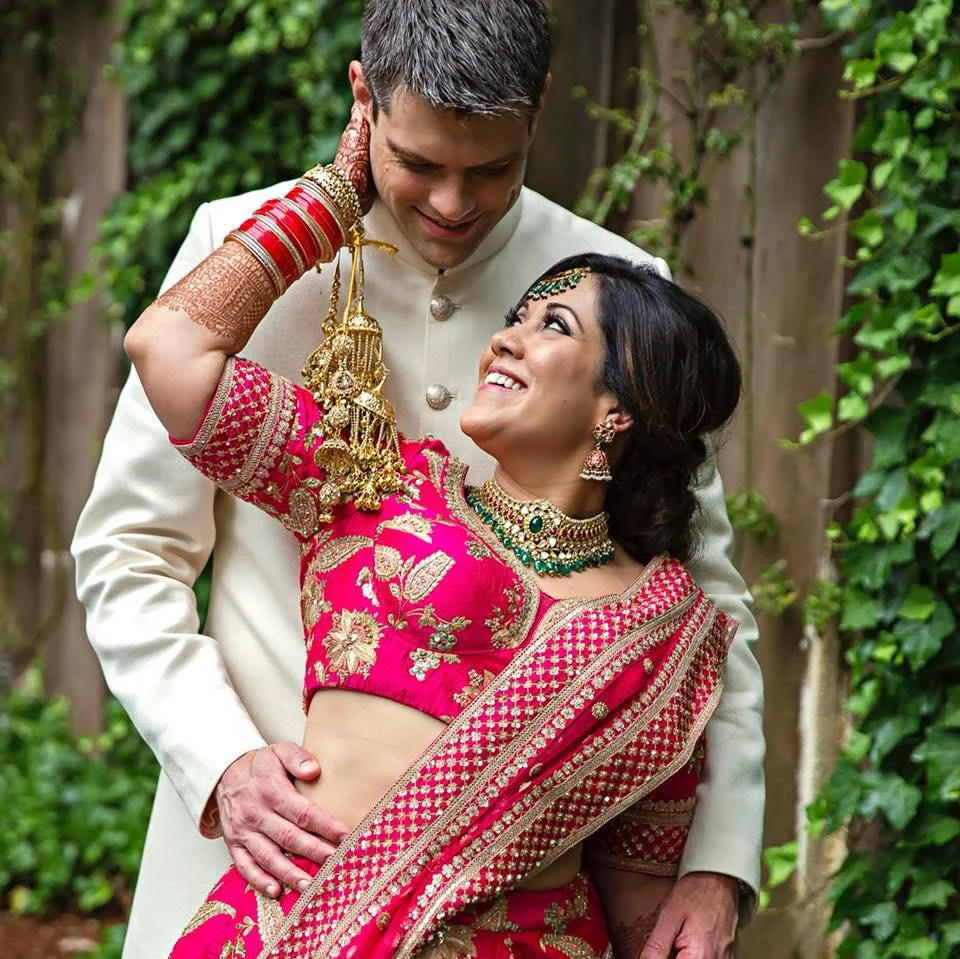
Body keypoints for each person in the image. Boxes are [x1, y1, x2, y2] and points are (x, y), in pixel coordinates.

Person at [72, 2, 765, 956]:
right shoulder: (242, 246)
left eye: (491, 169)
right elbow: (130, 548)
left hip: (517, 903)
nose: (450, 203)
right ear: (364, 98)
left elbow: (702, 608)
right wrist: (221, 756)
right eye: (417, 163)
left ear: (539, 108)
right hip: (262, 842)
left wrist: (715, 861)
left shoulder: (617, 292)